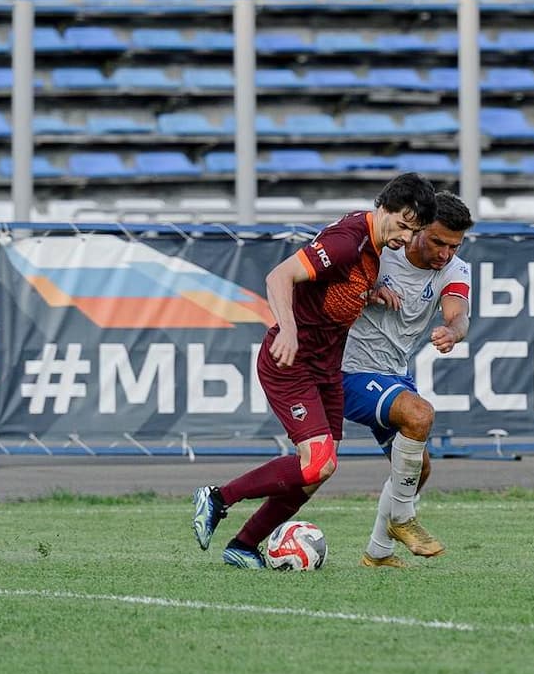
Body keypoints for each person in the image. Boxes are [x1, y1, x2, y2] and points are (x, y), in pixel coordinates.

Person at [190, 172, 438, 568]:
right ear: (384, 207)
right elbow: (279, 276)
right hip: (291, 362)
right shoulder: (346, 242)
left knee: (319, 470)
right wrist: (287, 329)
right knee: (317, 462)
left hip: (326, 367)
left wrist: (369, 293)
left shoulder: (372, 244)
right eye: (403, 225)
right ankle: (218, 498)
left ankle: (243, 545)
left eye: (414, 232)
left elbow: (333, 287)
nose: (406, 238)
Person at [340, 191, 474, 568]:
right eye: (438, 242)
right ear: (418, 229)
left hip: (392, 374)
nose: (445, 254)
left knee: (420, 469)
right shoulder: (383, 250)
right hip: (347, 369)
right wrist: (365, 290)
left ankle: (378, 552)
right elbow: (332, 281)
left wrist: (453, 331)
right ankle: (402, 519)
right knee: (419, 415)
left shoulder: (455, 269)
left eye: (454, 246)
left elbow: (459, 313)